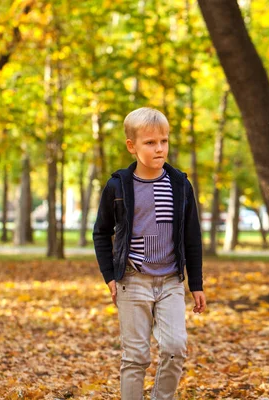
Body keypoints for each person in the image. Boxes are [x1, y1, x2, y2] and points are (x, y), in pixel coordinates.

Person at [93, 107, 206, 399]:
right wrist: (109, 277)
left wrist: (196, 284)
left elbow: (192, 236)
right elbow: (101, 232)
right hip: (132, 281)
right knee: (136, 357)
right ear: (132, 146)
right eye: (150, 142)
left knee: (174, 348)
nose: (159, 148)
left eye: (164, 141)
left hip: (170, 282)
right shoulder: (118, 185)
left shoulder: (179, 184)